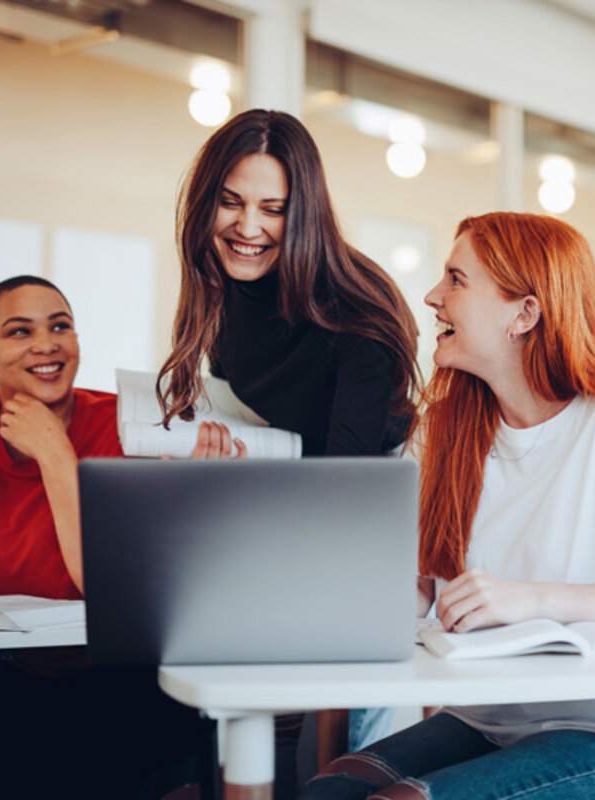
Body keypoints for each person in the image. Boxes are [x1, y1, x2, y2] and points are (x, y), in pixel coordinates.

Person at [300, 212, 595, 800]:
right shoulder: (447, 433)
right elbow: (424, 586)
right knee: (327, 792)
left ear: (525, 313)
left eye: (456, 280)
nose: (433, 297)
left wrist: (532, 599)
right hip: (483, 721)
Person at [156, 108, 422, 790]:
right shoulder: (225, 290)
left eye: (272, 209)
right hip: (285, 521)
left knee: (338, 764)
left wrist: (243, 490)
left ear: (304, 212)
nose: (248, 228)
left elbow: (348, 490)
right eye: (231, 202)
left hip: (371, 537)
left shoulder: (357, 308)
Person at [0, 276, 212, 798]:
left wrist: (56, 455)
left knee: (64, 755)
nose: (47, 344)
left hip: (134, 678)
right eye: (20, 331)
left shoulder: (137, 428)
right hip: (20, 674)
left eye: (61, 326)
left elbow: (113, 593)